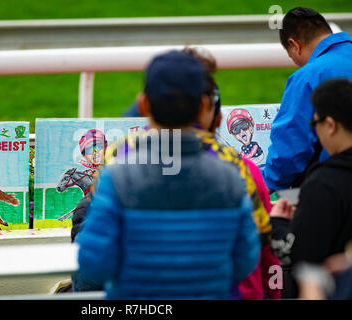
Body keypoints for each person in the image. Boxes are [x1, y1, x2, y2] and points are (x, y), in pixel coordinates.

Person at [76, 50, 260, 299]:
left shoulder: (117, 178)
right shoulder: (230, 176)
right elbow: (246, 261)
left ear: (143, 105)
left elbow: (93, 264)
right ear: (204, 105)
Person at [270, 78, 352, 298]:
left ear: (331, 125)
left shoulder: (324, 183)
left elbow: (300, 257)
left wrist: (278, 224)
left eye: (315, 124)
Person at [262, 7, 352, 191]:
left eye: (291, 56)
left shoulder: (307, 77)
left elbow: (291, 149)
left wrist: (265, 183)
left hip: (334, 191)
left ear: (295, 45)